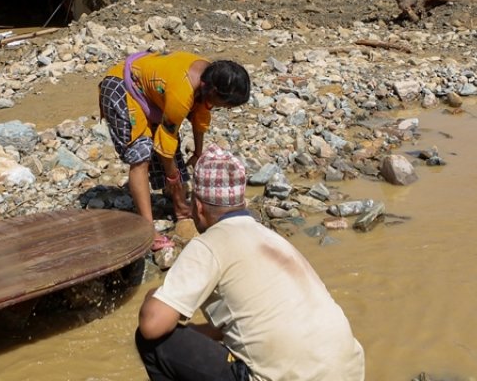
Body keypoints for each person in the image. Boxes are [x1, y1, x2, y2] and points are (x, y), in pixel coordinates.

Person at [135, 145, 367, 381]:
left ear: (199, 207)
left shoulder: (210, 244)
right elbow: (253, 323)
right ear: (241, 202)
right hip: (349, 371)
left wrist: (154, 295)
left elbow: (152, 324)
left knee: (153, 342)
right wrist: (197, 332)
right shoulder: (271, 239)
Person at [98, 52, 250, 251]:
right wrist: (173, 178)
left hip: (150, 95)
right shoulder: (183, 91)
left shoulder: (212, 76)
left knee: (173, 157)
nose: (226, 109)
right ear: (212, 91)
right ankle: (148, 230)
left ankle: (176, 205)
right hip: (123, 87)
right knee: (141, 155)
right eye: (226, 105)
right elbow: (166, 141)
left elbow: (201, 115)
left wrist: (197, 152)